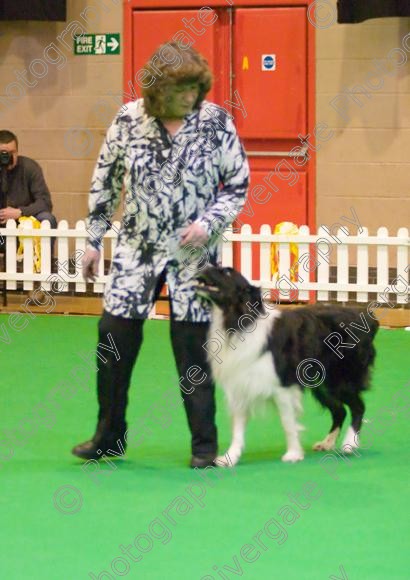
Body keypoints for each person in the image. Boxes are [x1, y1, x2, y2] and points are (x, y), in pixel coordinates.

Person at [72, 42, 249, 468]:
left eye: (194, 87)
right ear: (157, 91)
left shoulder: (216, 123)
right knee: (113, 341)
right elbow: (105, 185)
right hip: (136, 250)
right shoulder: (127, 121)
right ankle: (108, 436)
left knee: (193, 351)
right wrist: (94, 240)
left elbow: (237, 186)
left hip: (195, 256)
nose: (190, 96)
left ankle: (204, 446)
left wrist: (209, 222)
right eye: (180, 89)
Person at [0, 130, 56, 230]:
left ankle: (41, 246)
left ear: (17, 151)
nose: (8, 158)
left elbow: (45, 202)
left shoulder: (29, 167)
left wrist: (20, 212)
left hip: (25, 225)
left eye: (12, 153)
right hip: (1, 232)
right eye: (3, 153)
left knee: (47, 219)